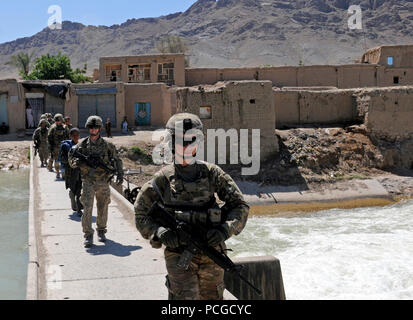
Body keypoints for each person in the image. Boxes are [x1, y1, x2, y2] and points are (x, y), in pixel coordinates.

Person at [134, 113, 250, 300]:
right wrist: (159, 232)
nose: (187, 146)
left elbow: (240, 206)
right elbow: (141, 212)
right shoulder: (163, 179)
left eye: (192, 140)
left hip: (212, 252)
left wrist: (224, 230)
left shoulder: (212, 173)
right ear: (172, 142)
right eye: (182, 141)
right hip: (179, 255)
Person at [68, 116, 124, 248]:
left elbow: (117, 160)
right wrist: (79, 162)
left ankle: (101, 231)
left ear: (100, 129)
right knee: (87, 208)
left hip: (103, 182)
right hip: (88, 181)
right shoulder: (81, 146)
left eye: (96, 128)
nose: (93, 130)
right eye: (91, 128)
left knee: (103, 207)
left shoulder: (108, 146)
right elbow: (71, 161)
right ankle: (88, 235)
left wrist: (120, 173)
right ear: (88, 129)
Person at [59, 128, 83, 217]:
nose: (76, 137)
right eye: (74, 135)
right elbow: (62, 159)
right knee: (73, 189)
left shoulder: (82, 145)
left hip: (80, 172)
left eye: (77, 135)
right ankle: (73, 197)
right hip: (71, 172)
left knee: (80, 191)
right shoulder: (66, 146)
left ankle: (79, 209)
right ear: (70, 136)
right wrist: (71, 160)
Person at [48, 114, 69, 179]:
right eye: (56, 121)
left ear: (61, 120)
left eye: (59, 121)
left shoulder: (65, 127)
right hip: (55, 147)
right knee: (56, 161)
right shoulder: (52, 127)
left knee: (64, 161)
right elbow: (49, 137)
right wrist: (51, 147)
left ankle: (63, 173)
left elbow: (68, 137)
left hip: (63, 147)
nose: (57, 122)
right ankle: (57, 173)